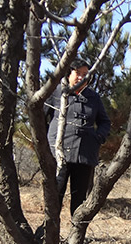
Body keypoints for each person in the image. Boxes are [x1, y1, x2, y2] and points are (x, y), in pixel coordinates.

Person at [45, 58, 111, 216]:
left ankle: (76, 237)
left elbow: (105, 122)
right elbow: (40, 119)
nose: (81, 77)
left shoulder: (93, 97)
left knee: (80, 201)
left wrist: (98, 138)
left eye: (85, 74)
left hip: (85, 155)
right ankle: (47, 236)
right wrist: (47, 141)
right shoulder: (55, 92)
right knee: (54, 197)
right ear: (69, 73)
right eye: (78, 73)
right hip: (59, 154)